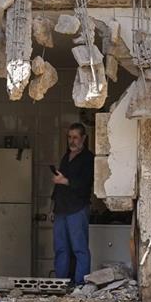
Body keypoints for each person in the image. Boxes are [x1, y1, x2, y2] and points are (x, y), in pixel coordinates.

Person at [52, 122, 94, 285]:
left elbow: (85, 183)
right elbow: (58, 186)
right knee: (61, 249)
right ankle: (60, 283)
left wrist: (65, 181)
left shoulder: (88, 158)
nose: (72, 141)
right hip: (61, 208)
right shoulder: (66, 157)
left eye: (75, 137)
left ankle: (80, 285)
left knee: (79, 249)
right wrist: (52, 207)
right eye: (69, 137)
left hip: (77, 208)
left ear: (83, 138)